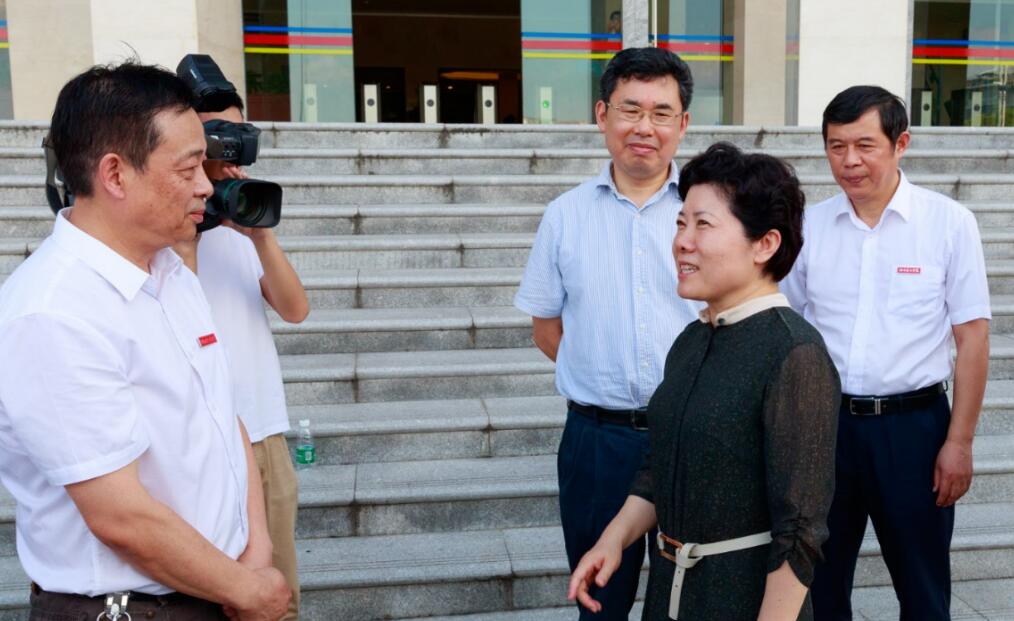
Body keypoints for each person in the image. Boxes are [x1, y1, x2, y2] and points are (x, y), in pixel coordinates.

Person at [0, 63, 290, 621]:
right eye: (187, 168)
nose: (207, 185)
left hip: (218, 589)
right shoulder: (53, 313)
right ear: (115, 174)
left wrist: (255, 554)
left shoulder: (171, 272)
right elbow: (122, 517)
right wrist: (248, 590)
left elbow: (222, 414)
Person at [568, 142, 841, 621]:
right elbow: (659, 466)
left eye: (703, 225)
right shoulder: (692, 339)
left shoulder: (794, 353)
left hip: (743, 600)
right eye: (680, 223)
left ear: (765, 244)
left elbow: (800, 530)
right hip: (670, 591)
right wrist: (612, 540)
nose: (682, 242)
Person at [782, 86, 991, 621]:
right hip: (827, 428)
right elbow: (787, 328)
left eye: (864, 145)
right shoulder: (808, 228)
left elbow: (972, 338)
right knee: (820, 584)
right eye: (836, 146)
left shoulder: (949, 223)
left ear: (901, 144)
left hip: (913, 431)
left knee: (922, 588)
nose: (849, 161)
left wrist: (959, 443)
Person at [515, 46, 699, 619]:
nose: (645, 127)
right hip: (597, 442)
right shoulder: (565, 215)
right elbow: (546, 328)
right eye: (630, 109)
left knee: (690, 597)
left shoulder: (710, 213)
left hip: (692, 437)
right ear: (602, 114)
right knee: (600, 601)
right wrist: (599, 371)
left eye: (661, 113)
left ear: (683, 123)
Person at [174, 89, 309, 621]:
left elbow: (295, 309)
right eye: (216, 135)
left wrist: (260, 237)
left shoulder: (241, 221)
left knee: (278, 597)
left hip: (264, 432)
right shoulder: (165, 228)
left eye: (238, 133)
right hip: (202, 440)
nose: (228, 149)